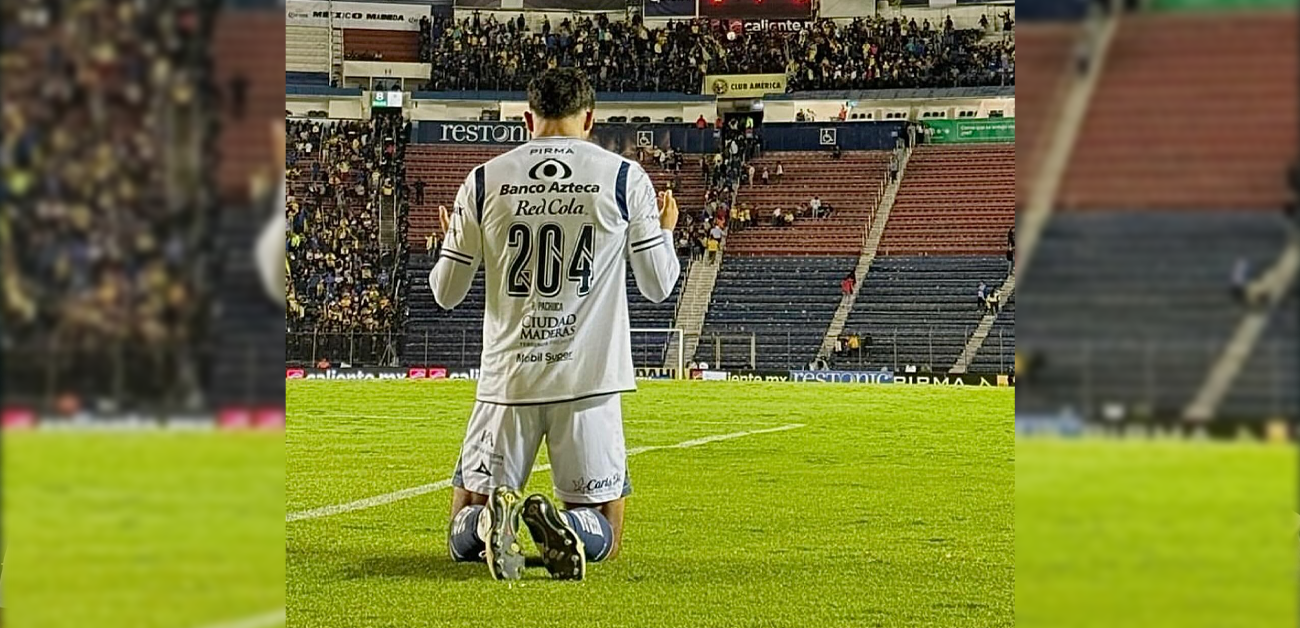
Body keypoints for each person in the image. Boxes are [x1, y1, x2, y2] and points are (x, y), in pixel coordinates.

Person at [430, 68, 681, 581]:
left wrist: (450, 243)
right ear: (590, 118)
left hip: (507, 381)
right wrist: (667, 233)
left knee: (464, 515)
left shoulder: (483, 179)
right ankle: (568, 523)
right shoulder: (623, 177)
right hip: (588, 382)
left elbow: (446, 293)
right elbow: (658, 286)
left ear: (527, 119)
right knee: (607, 527)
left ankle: (486, 527)